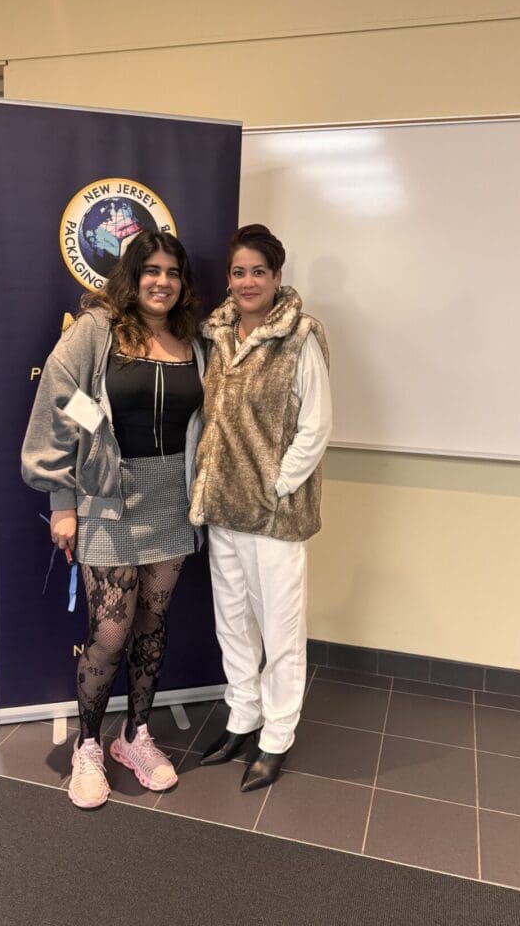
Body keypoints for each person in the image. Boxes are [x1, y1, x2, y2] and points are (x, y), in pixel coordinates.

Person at [21, 230, 205, 809]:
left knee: (152, 625)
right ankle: (88, 747)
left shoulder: (192, 341)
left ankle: (137, 736)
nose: (162, 281)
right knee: (109, 634)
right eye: (151, 270)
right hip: (106, 502)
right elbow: (62, 399)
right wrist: (63, 501)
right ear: (132, 275)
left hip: (171, 501)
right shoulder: (97, 332)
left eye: (173, 272)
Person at [189, 224, 332, 792]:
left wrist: (276, 485)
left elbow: (316, 426)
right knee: (234, 624)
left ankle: (276, 736)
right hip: (222, 508)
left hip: (275, 516)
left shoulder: (301, 336)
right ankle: (242, 718)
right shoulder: (215, 333)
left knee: (281, 627)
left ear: (277, 277)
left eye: (259, 271)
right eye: (238, 271)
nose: (247, 282)